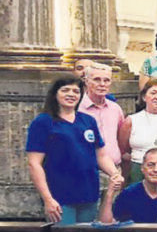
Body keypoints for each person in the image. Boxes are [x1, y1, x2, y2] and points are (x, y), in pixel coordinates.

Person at [27, 77, 123, 224]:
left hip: (89, 193)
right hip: (60, 196)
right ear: (55, 94)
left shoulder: (88, 121)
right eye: (65, 90)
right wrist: (48, 198)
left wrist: (114, 174)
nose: (71, 94)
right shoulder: (43, 122)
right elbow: (34, 164)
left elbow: (101, 155)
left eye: (76, 91)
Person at [118, 80, 157, 185]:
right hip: (138, 172)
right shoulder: (131, 120)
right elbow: (123, 149)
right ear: (144, 97)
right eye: (153, 93)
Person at [78, 64, 126, 179]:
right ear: (86, 81)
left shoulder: (115, 109)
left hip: (115, 171)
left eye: (106, 80)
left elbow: (121, 139)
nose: (102, 84)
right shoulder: (77, 109)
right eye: (97, 80)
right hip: (87, 173)